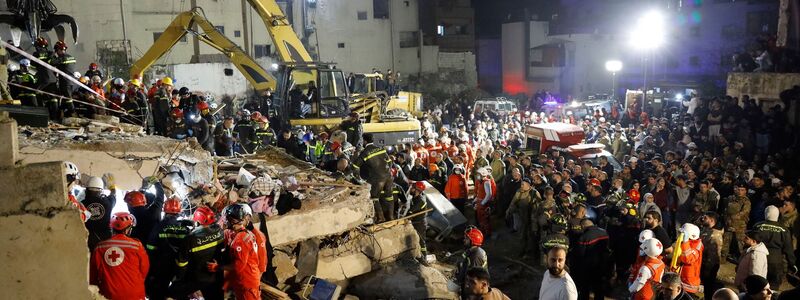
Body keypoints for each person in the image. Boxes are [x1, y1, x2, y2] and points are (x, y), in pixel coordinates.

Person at [90, 212, 150, 300]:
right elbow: (144, 270)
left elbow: (93, 275)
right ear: (128, 229)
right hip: (135, 294)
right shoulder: (137, 246)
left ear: (111, 227)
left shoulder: (100, 247)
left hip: (109, 295)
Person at [172, 206, 224, 300]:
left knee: (172, 293)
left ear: (197, 221)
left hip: (196, 278)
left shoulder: (190, 239)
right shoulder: (219, 231)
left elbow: (181, 263)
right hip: (216, 275)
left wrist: (180, 279)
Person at [145, 196, 188, 300]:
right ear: (178, 212)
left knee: (158, 292)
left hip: (161, 266)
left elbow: (150, 248)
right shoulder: (183, 228)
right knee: (177, 292)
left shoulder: (158, 227)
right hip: (178, 266)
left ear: (164, 211)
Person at [224, 204, 266, 300]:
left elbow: (262, 262)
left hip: (248, 280)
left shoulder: (252, 236)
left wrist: (253, 282)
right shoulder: (240, 232)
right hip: (243, 279)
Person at [352, 133, 393, 223]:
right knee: (389, 197)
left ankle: (381, 218)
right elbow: (389, 162)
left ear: (365, 141)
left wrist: (356, 176)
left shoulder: (365, 151)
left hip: (378, 179)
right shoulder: (381, 148)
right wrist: (387, 171)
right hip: (388, 176)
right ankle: (391, 217)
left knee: (374, 197)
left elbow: (355, 166)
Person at [754, 205, 797, 289]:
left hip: (759, 257)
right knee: (773, 286)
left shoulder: (757, 226)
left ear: (766, 214)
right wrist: (792, 263)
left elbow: (750, 243)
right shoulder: (784, 230)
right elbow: (788, 249)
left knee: (758, 285)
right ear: (777, 215)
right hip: (775, 260)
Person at [572, 218, 610, 300]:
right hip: (603, 265)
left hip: (588, 268)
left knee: (585, 289)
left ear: (583, 226)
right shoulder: (604, 232)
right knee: (599, 289)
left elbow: (580, 254)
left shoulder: (584, 237)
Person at [506, 177, 539, 256]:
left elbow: (538, 206)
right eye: (521, 184)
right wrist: (508, 211)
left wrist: (534, 218)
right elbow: (513, 202)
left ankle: (532, 252)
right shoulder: (519, 192)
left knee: (531, 235)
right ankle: (522, 250)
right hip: (522, 216)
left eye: (523, 184)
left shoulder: (534, 193)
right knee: (522, 235)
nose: (521, 186)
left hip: (532, 217)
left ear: (528, 185)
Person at [83, 176, 116, 250]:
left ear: (86, 190)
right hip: (104, 241)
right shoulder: (108, 203)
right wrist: (112, 187)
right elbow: (113, 195)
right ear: (101, 191)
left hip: (86, 241)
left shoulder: (81, 204)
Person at [723, 182, 751, 261]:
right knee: (725, 243)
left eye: (742, 190)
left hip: (740, 226)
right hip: (729, 224)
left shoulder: (746, 201)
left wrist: (733, 217)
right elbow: (725, 210)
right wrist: (726, 219)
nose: (740, 191)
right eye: (738, 189)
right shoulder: (730, 198)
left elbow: (744, 212)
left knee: (741, 244)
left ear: (745, 191)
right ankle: (723, 258)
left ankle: (742, 260)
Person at [50, 40, 77, 118]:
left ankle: (74, 115)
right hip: (71, 82)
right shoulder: (71, 57)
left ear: (58, 49)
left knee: (68, 99)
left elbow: (52, 62)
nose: (57, 52)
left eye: (56, 50)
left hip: (65, 82)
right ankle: (61, 114)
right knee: (65, 98)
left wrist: (52, 55)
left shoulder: (62, 58)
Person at [459, 226, 488, 295]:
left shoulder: (476, 255)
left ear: (472, 240)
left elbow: (474, 279)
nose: (464, 240)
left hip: (475, 290)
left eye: (466, 238)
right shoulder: (472, 251)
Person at [675, 223, 703, 294]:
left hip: (689, 283)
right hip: (683, 278)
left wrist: (685, 242)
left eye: (682, 234)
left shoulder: (696, 247)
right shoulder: (688, 243)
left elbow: (688, 259)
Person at [700, 212, 724, 293]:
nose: (702, 219)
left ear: (712, 220)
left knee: (708, 288)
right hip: (703, 264)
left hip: (708, 268)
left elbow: (713, 257)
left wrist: (707, 272)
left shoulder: (715, 235)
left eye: (705, 218)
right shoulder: (706, 229)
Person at [408, 181, 429, 259]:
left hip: (420, 223)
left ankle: (424, 257)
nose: (411, 189)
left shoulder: (420, 200)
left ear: (417, 189)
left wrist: (408, 216)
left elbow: (411, 212)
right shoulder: (415, 197)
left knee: (421, 241)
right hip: (416, 222)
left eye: (412, 188)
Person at [474, 167, 497, 237]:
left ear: (483, 174)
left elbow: (489, 194)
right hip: (480, 202)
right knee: (480, 218)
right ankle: (482, 231)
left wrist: (482, 203)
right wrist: (475, 200)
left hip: (483, 204)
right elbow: (479, 192)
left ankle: (487, 233)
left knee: (485, 219)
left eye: (479, 174)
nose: (477, 176)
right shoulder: (480, 182)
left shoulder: (486, 182)